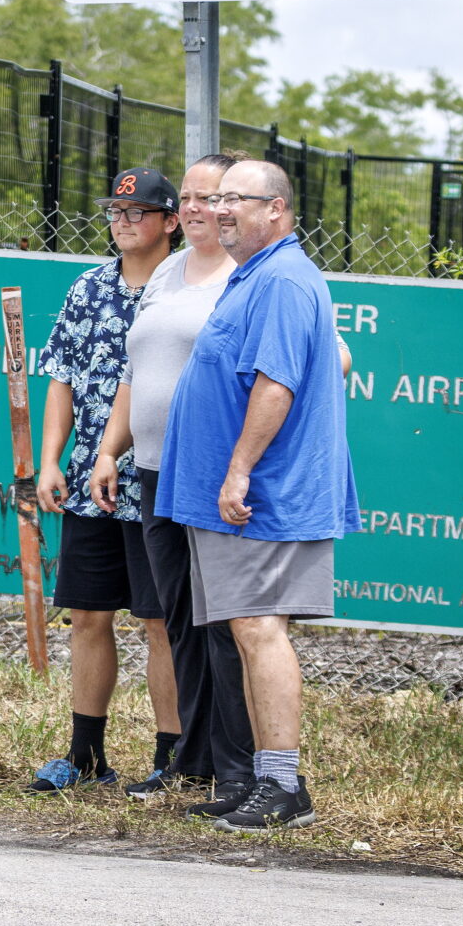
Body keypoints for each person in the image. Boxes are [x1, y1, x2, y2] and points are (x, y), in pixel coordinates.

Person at [152, 157, 360, 832]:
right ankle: (255, 780)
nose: (221, 210)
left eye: (236, 199)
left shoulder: (282, 280)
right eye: (217, 200)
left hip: (264, 496)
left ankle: (282, 786)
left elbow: (277, 384)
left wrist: (239, 468)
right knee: (247, 631)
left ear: (277, 208)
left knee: (262, 630)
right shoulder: (256, 276)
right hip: (238, 501)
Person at [91, 152, 255, 810]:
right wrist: (111, 451)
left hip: (209, 473)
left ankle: (237, 766)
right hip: (154, 469)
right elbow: (139, 373)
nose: (191, 207)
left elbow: (321, 351)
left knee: (220, 623)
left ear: (235, 204)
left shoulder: (247, 278)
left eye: (205, 196)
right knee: (179, 619)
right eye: (185, 196)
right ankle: (192, 760)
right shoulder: (167, 271)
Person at [24, 166, 182, 792]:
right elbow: (61, 377)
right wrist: (51, 459)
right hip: (89, 482)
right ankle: (86, 755)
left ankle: (172, 758)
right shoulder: (87, 288)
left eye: (137, 212)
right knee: (88, 616)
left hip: (152, 479)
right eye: (115, 213)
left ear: (171, 221)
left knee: (159, 621)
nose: (123, 222)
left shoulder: (182, 292)